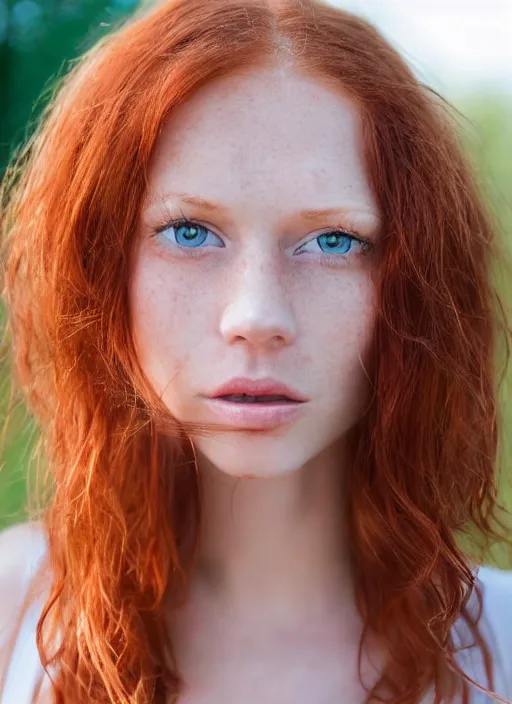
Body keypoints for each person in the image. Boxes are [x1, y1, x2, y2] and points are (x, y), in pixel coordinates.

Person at [0, 0, 511, 701]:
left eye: (334, 241)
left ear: (417, 285)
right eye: (189, 232)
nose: (257, 316)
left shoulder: (501, 648)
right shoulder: (10, 619)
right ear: (98, 264)